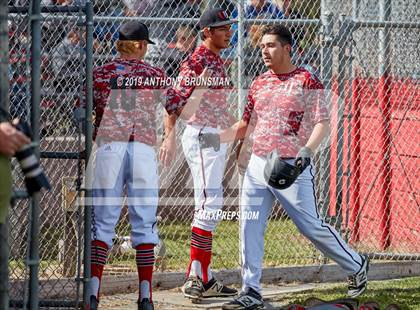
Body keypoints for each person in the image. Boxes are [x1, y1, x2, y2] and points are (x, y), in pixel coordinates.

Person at [199, 25, 369, 310]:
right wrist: (219, 137)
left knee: (310, 226)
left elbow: (322, 123)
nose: (264, 51)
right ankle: (250, 290)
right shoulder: (259, 82)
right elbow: (246, 125)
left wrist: (305, 154)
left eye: (271, 45)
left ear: (287, 48)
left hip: (291, 165)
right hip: (257, 164)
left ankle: (356, 264)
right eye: (262, 46)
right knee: (249, 225)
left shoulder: (306, 80)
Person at [78, 21, 184, 310]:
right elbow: (176, 106)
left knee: (103, 223)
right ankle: (145, 296)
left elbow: (82, 109)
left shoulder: (100, 74)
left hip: (109, 146)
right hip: (142, 149)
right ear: (139, 45)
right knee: (144, 222)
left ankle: (93, 294)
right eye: (145, 45)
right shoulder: (154, 74)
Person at [168, 8, 238, 302]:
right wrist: (168, 136)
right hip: (201, 134)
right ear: (206, 32)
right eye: (221, 28)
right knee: (210, 206)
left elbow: (218, 105)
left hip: (214, 134)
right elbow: (177, 106)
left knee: (208, 204)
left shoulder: (217, 61)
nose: (228, 32)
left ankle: (204, 277)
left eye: (228, 27)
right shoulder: (196, 60)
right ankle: (195, 276)